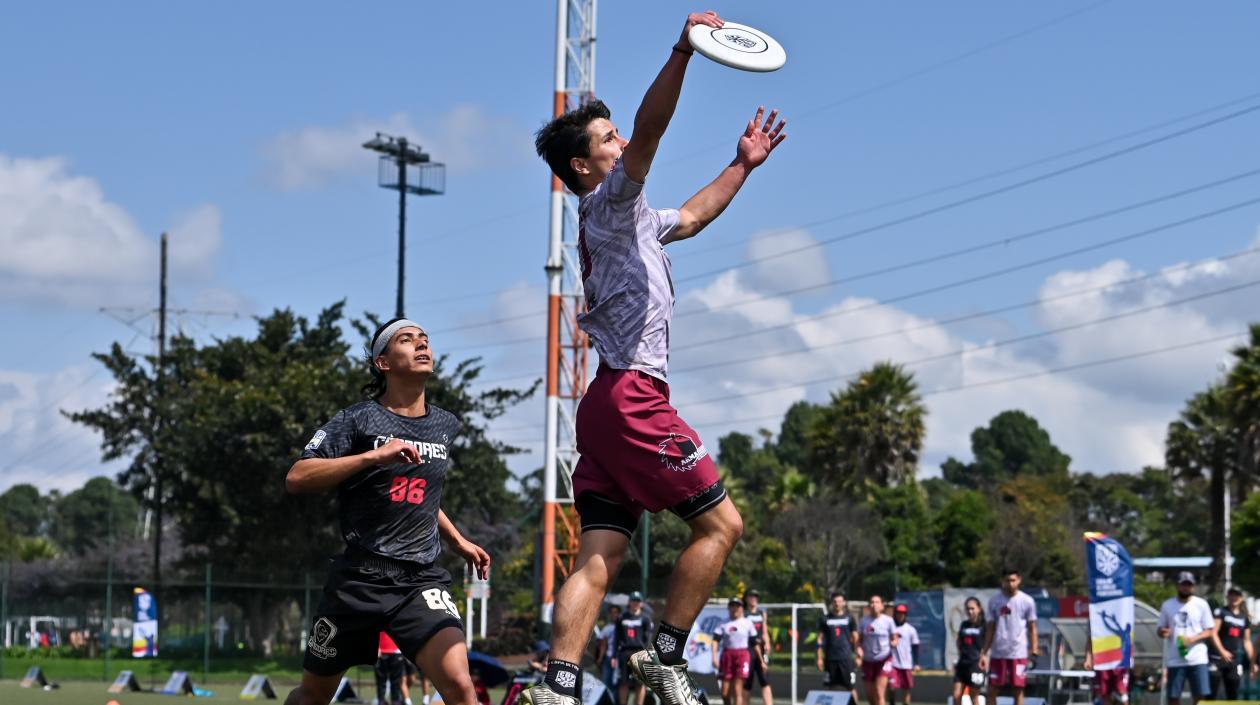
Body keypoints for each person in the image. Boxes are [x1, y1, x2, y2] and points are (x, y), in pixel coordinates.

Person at [527, 10, 787, 705]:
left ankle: (558, 685)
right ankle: (666, 656)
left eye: (617, 135)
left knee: (600, 555)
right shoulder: (608, 204)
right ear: (583, 165)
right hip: (633, 398)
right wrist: (684, 50)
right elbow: (651, 132)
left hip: (604, 407)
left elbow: (693, 216)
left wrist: (741, 166)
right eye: (607, 138)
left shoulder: (631, 219)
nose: (621, 143)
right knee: (722, 524)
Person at [283, 318, 492, 705]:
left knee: (461, 687)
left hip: (419, 580)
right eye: (407, 340)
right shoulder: (357, 419)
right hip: (358, 581)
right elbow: (297, 477)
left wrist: (457, 540)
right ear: (383, 362)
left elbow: (422, 496)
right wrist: (372, 457)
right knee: (313, 695)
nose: (422, 344)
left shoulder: (444, 424)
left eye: (425, 339)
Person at [1156, 572, 1215, 705]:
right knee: (1173, 697)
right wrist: (1163, 632)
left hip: (1197, 658)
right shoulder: (1167, 605)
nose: (1186, 588)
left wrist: (1192, 639)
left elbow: (1210, 631)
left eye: (1189, 585)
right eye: (1183, 584)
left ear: (1193, 587)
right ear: (1178, 586)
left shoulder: (1201, 604)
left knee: (1200, 696)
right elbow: (1160, 629)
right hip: (1175, 659)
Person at [981, 569, 1038, 705]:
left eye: (1013, 580)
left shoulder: (1027, 601)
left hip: (1018, 652)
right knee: (992, 689)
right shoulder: (995, 601)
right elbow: (990, 628)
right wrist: (984, 652)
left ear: (1019, 580)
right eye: (1007, 580)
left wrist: (1034, 648)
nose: (1010, 583)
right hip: (998, 653)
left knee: (1018, 689)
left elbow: (1032, 627)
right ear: (1002, 581)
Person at [1211, 585, 1255, 700]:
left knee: (1233, 695)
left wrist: (1253, 662)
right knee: (1211, 694)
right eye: (1231, 594)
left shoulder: (1244, 617)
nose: (1234, 597)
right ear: (1227, 596)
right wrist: (1222, 651)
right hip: (1217, 658)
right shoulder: (1220, 612)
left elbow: (1247, 641)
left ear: (1241, 598)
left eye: (1237, 595)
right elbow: (1213, 633)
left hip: (1234, 660)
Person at [712, 598, 758, 705]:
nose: (734, 609)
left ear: (742, 608)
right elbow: (715, 641)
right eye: (732, 606)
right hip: (727, 656)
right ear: (729, 608)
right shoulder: (723, 623)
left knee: (738, 690)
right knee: (725, 693)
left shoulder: (747, 623)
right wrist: (714, 657)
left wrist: (761, 659)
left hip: (742, 656)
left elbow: (755, 643)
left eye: (737, 606)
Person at [816, 592, 860, 702]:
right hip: (830, 659)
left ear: (843, 603)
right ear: (832, 603)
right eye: (835, 601)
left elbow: (855, 638)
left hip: (845, 658)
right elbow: (820, 639)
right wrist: (819, 658)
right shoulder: (825, 619)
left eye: (840, 601)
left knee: (850, 687)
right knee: (832, 687)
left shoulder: (849, 618)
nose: (837, 604)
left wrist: (858, 656)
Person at [616, 593, 655, 705]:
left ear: (641, 603)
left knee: (640, 683)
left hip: (639, 653)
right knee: (623, 682)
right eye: (633, 601)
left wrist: (647, 653)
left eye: (638, 601)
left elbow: (648, 638)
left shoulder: (646, 618)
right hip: (624, 652)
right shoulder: (622, 617)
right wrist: (615, 655)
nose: (635, 603)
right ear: (629, 602)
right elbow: (617, 637)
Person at [860, 595, 900, 705]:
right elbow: (859, 639)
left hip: (884, 659)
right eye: (872, 602)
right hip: (868, 660)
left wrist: (894, 642)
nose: (874, 605)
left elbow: (895, 638)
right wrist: (858, 650)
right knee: (870, 695)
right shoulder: (864, 621)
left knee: (879, 693)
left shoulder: (888, 621)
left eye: (877, 602)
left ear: (882, 606)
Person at [742, 590, 774, 705]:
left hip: (761, 651)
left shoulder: (761, 613)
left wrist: (767, 643)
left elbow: (764, 631)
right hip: (748, 651)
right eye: (751, 596)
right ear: (746, 598)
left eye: (755, 596)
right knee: (747, 683)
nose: (753, 599)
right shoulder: (743, 614)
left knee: (765, 680)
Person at [952, 597, 985, 705]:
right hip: (962, 664)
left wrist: (983, 657)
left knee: (973, 697)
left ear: (979, 609)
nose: (970, 611)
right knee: (956, 696)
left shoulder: (984, 625)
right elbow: (959, 641)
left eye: (972, 608)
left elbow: (987, 644)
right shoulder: (964, 624)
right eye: (967, 609)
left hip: (975, 664)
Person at [889, 605, 919, 705]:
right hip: (893, 664)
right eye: (898, 613)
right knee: (892, 687)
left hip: (906, 664)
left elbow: (915, 647)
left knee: (906, 689)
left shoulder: (910, 630)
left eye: (902, 613)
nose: (900, 615)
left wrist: (916, 663)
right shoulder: (890, 628)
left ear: (905, 615)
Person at [597, 605, 624, 701]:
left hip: (620, 658)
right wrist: (600, 658)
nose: (613, 615)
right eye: (612, 612)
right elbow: (603, 644)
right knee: (606, 682)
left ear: (619, 614)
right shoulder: (607, 628)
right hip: (609, 658)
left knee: (619, 683)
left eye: (616, 612)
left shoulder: (624, 626)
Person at [378, 632, 408, 705]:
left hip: (396, 652)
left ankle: (395, 701)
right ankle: (381, 701)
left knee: (396, 681)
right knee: (381, 681)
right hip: (382, 652)